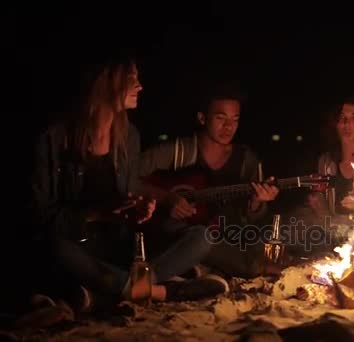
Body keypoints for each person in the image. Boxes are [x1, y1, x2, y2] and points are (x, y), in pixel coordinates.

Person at [29, 55, 226, 312]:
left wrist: (141, 206)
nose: (140, 86)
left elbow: (129, 187)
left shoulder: (128, 135)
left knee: (201, 236)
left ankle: (111, 293)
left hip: (119, 243)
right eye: (132, 79)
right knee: (55, 248)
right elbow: (41, 217)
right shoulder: (54, 138)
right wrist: (97, 213)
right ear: (106, 82)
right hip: (78, 245)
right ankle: (164, 292)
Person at [138, 86, 280, 278]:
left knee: (272, 239)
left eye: (235, 120)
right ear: (202, 118)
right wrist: (167, 198)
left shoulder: (246, 159)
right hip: (178, 233)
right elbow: (128, 181)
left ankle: (194, 269)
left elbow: (254, 219)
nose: (228, 127)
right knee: (202, 239)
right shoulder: (177, 151)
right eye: (221, 118)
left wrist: (257, 203)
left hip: (225, 236)